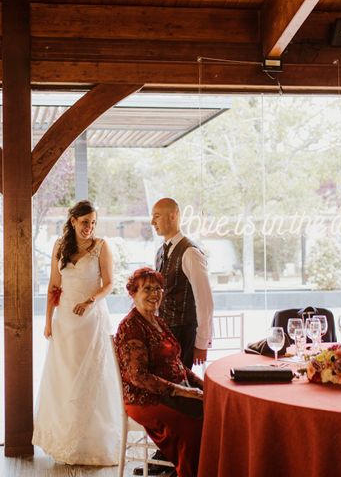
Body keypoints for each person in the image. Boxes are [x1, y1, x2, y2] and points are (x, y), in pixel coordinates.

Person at [32, 200, 120, 465]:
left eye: (93, 223)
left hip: (91, 321)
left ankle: (95, 443)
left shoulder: (101, 247)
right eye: (85, 223)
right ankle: (68, 440)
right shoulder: (60, 247)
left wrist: (90, 301)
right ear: (73, 221)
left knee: (93, 377)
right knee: (66, 377)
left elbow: (110, 284)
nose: (89, 228)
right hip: (65, 322)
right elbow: (53, 286)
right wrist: (48, 321)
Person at [115, 267, 204, 477]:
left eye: (158, 289)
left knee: (214, 412)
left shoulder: (158, 322)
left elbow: (178, 365)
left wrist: (204, 385)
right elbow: (138, 377)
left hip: (171, 391)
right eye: (147, 289)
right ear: (133, 293)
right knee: (191, 426)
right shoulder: (131, 327)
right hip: (144, 399)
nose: (155, 294)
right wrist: (182, 391)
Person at [151, 197, 213, 369]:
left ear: (173, 216)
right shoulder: (160, 252)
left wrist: (201, 343)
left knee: (181, 387)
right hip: (164, 331)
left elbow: (205, 302)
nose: (152, 222)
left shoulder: (190, 252)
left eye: (156, 216)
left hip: (184, 333)